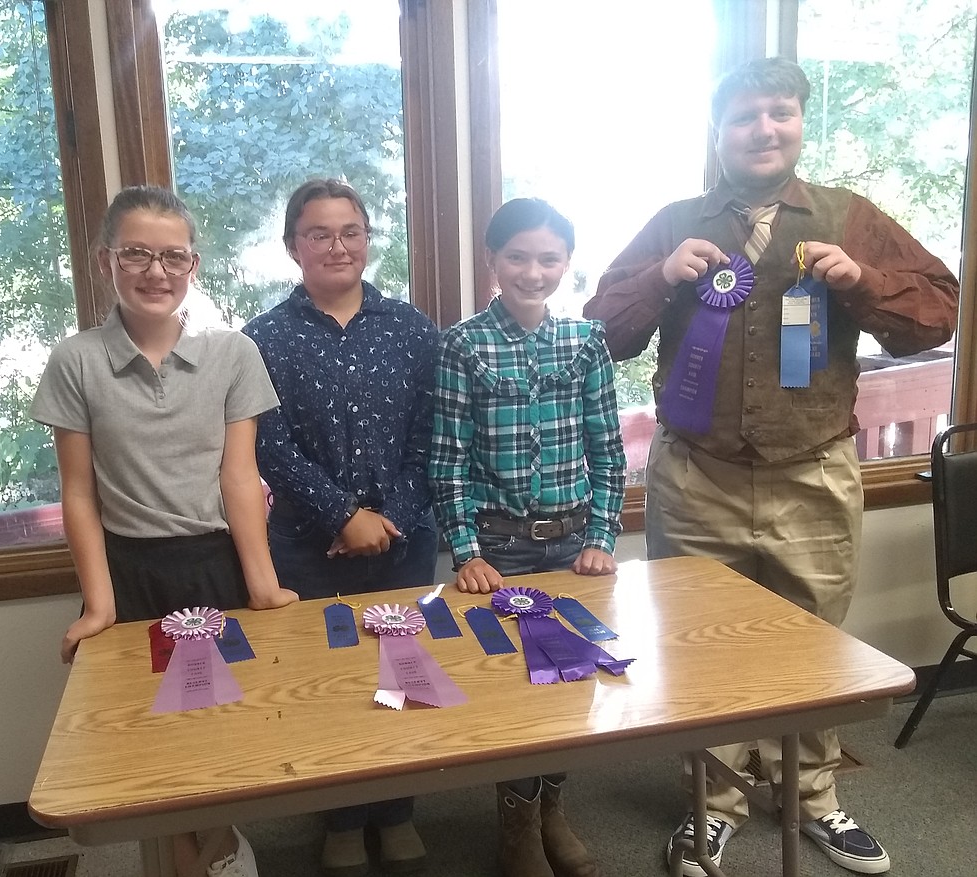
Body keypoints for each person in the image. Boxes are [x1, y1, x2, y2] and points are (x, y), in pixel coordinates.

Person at [584, 57, 960, 876]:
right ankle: (710, 804)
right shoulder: (677, 220)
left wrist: (862, 281)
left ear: (799, 123)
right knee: (697, 646)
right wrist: (658, 275)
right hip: (697, 477)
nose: (764, 129)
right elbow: (598, 333)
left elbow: (938, 311)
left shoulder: (848, 216)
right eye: (746, 115)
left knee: (815, 643)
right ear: (719, 131)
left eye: (780, 113)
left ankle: (811, 796)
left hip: (812, 472)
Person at [31, 184, 298, 877]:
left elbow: (240, 480)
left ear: (193, 264)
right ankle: (190, 855)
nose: (157, 271)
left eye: (173, 256)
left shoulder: (233, 353)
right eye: (138, 254)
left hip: (213, 569)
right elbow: (79, 491)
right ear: (105, 262)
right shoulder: (77, 360)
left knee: (216, 733)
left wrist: (263, 587)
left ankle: (214, 845)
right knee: (147, 744)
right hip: (126, 574)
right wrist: (98, 604)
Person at [242, 178, 440, 877]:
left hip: (404, 540)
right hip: (308, 546)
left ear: (367, 238)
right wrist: (341, 516)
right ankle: (343, 818)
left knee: (401, 674)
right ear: (293, 244)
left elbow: (432, 438)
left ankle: (396, 810)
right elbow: (268, 447)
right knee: (331, 683)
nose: (337, 245)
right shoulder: (260, 339)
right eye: (319, 233)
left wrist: (387, 521)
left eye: (350, 231)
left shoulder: (414, 329)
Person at [430, 197, 625, 877]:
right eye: (518, 256)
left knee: (572, 686)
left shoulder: (585, 341)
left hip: (573, 550)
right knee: (515, 692)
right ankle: (516, 826)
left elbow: (608, 448)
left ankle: (553, 811)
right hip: (500, 550)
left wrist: (601, 532)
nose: (533, 271)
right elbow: (448, 458)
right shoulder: (463, 344)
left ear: (566, 264)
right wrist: (467, 549)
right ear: (492, 261)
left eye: (549, 258)